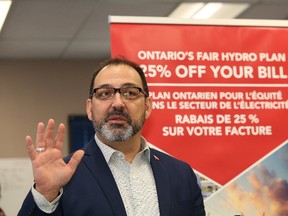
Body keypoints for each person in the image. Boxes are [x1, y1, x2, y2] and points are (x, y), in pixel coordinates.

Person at [18, 57, 205, 215]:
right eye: (105, 93)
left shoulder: (181, 175)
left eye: (130, 93)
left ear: (147, 107)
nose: (118, 103)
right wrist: (45, 194)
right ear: (90, 109)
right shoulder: (64, 177)